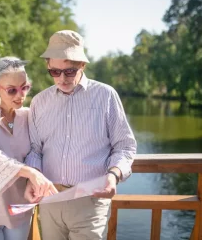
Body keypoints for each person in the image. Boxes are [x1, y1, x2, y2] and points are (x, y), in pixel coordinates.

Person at [24, 30, 137, 240]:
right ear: (48, 67)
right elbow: (35, 150)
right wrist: (33, 177)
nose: (62, 78)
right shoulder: (39, 101)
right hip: (50, 200)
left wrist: (113, 176)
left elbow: (124, 146)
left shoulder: (106, 96)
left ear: (82, 65)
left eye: (69, 71)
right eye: (55, 72)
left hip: (91, 201)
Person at [0, 56, 57, 240]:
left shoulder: (28, 115)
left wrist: (34, 174)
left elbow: (38, 150)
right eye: (11, 90)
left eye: (24, 87)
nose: (20, 95)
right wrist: (30, 173)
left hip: (19, 210)